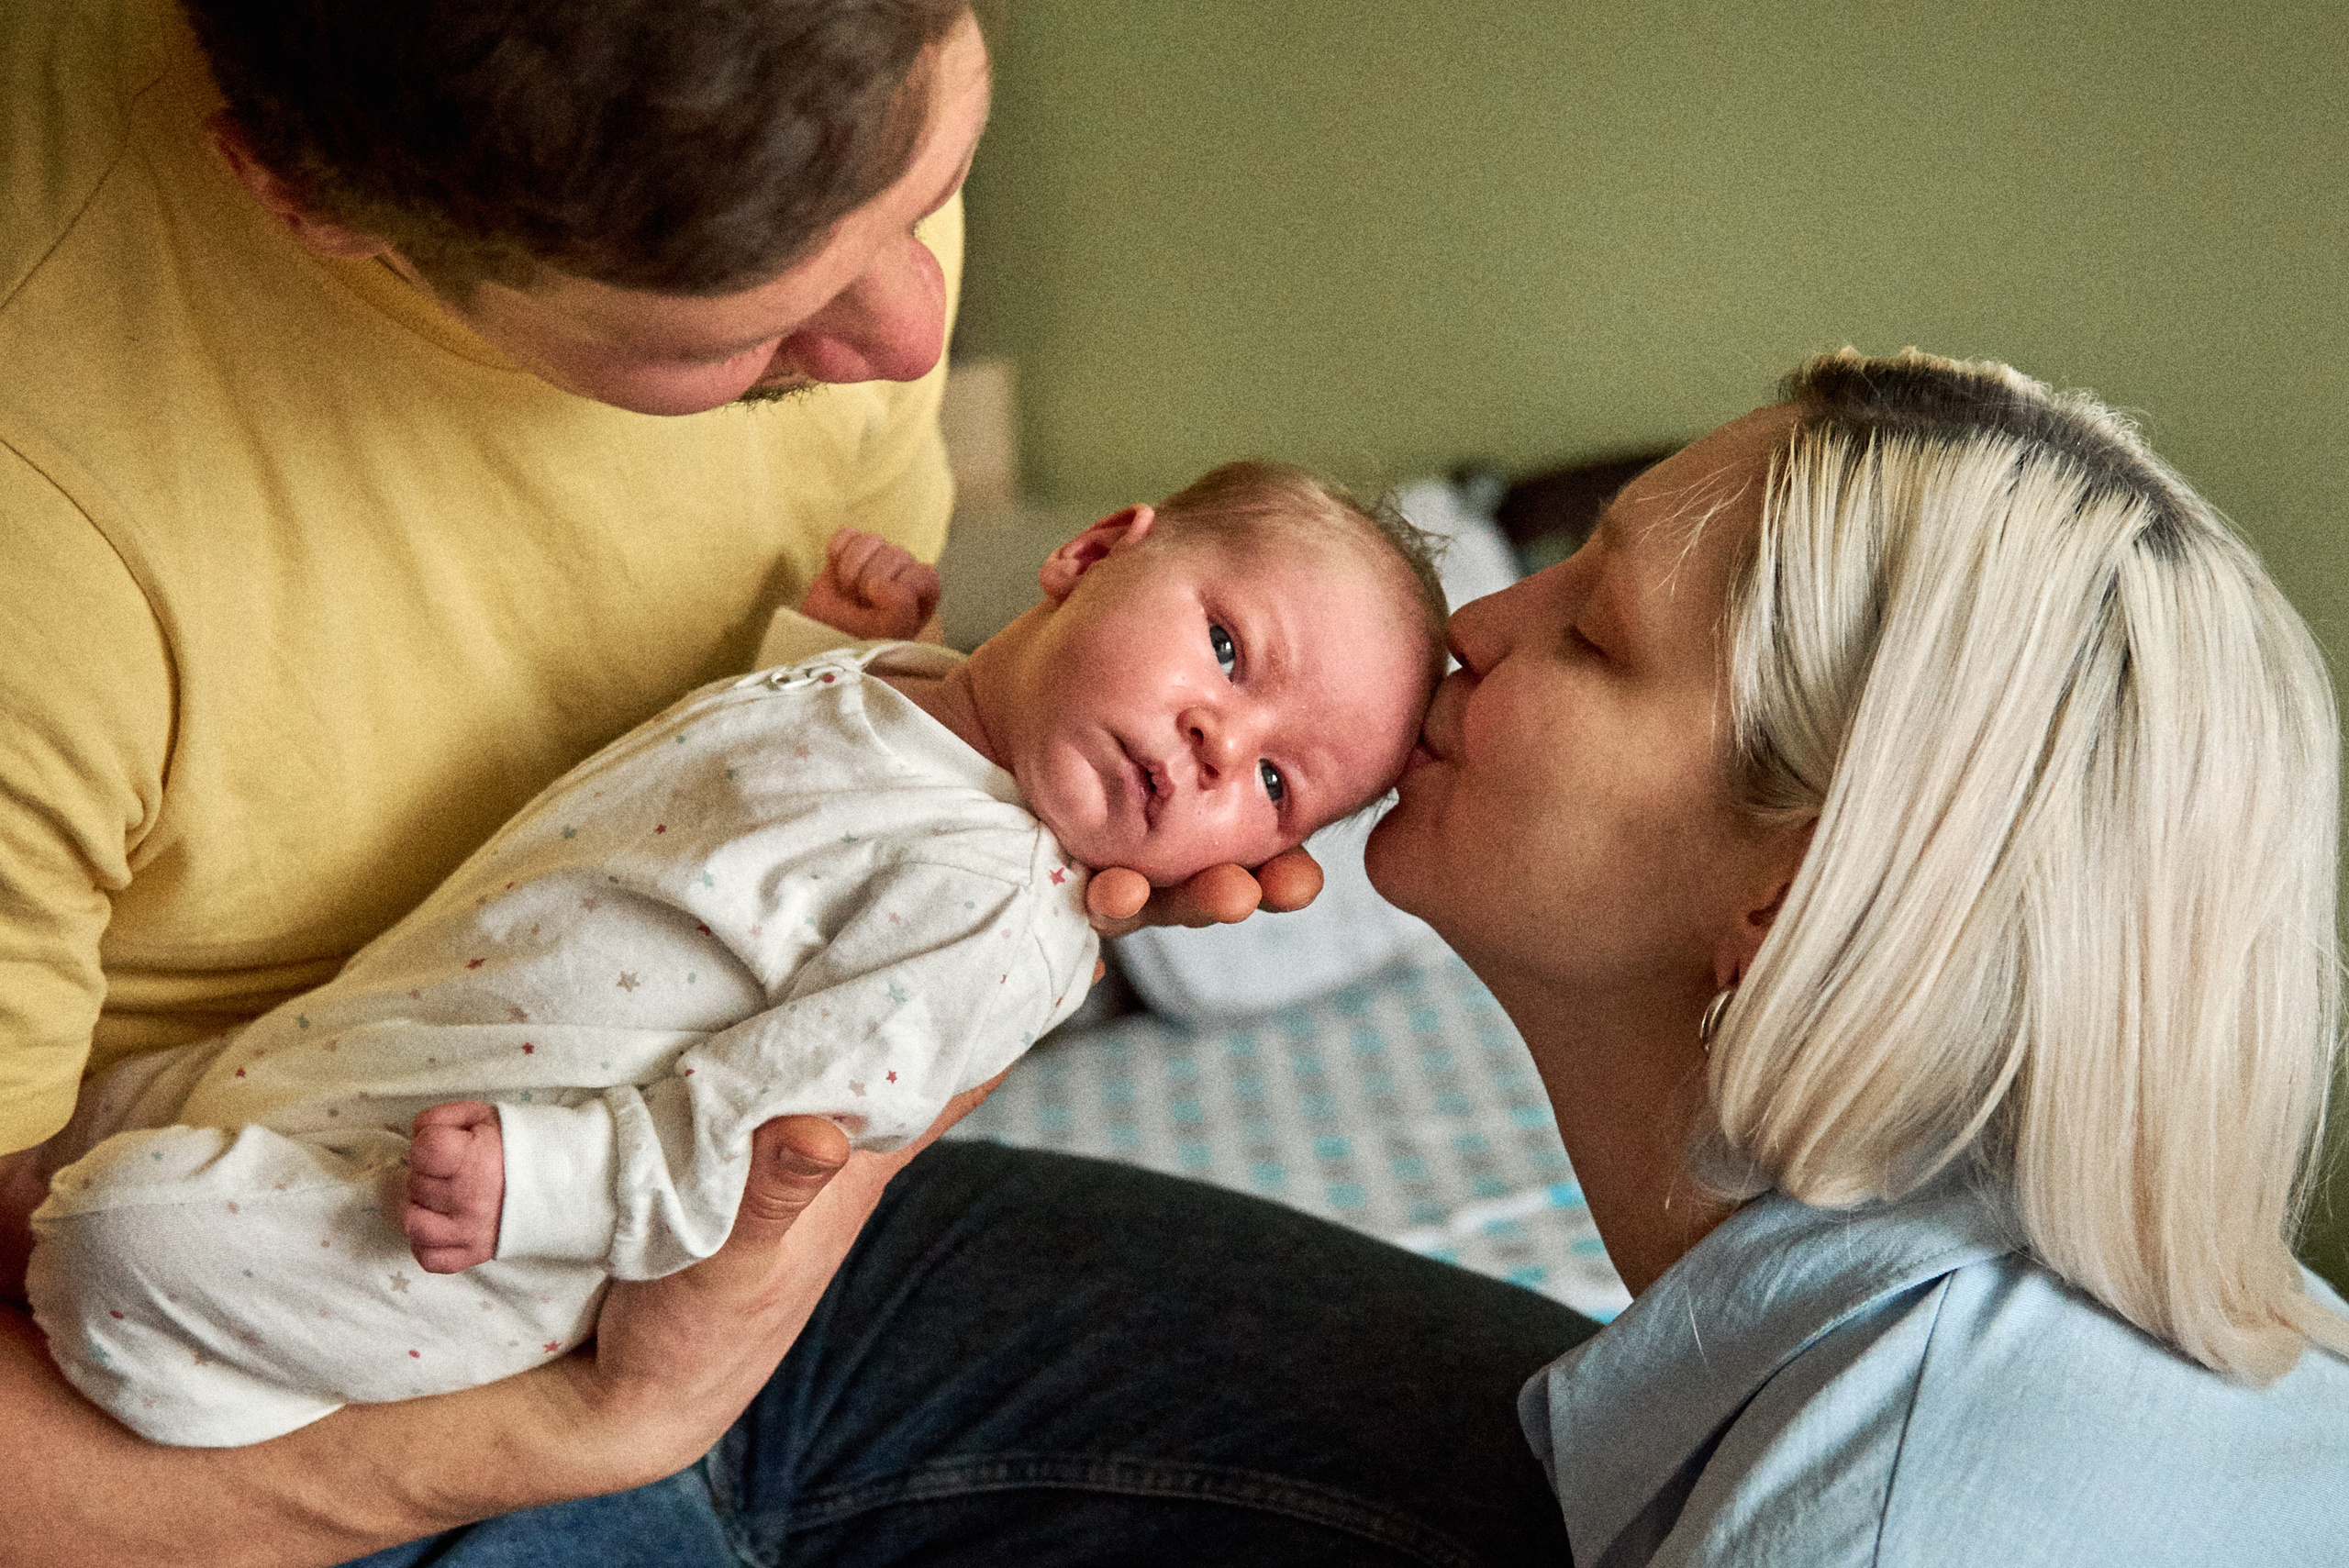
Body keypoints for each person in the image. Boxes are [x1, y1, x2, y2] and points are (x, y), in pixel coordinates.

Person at [0, 0, 1333, 1560]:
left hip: (729, 1196)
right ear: (315, 210)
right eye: (746, 336)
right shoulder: (45, 524)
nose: (910, 339)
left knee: (1561, 1472)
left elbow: (797, 823)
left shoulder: (828, 119)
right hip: (298, 1302)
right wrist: (592, 1426)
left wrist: (987, 915)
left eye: (929, 184)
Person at [28, 462, 1446, 1448]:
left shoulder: (994, 910)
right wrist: (817, 643)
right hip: (366, 1045)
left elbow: (770, 1128)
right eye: (1224, 646)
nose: (1219, 742)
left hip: (489, 1217)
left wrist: (551, 1182)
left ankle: (197, 1395)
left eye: (1275, 788)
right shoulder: (895, 690)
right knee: (85, 1122)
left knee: (123, 1237)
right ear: (1089, 552)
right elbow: (729, 805)